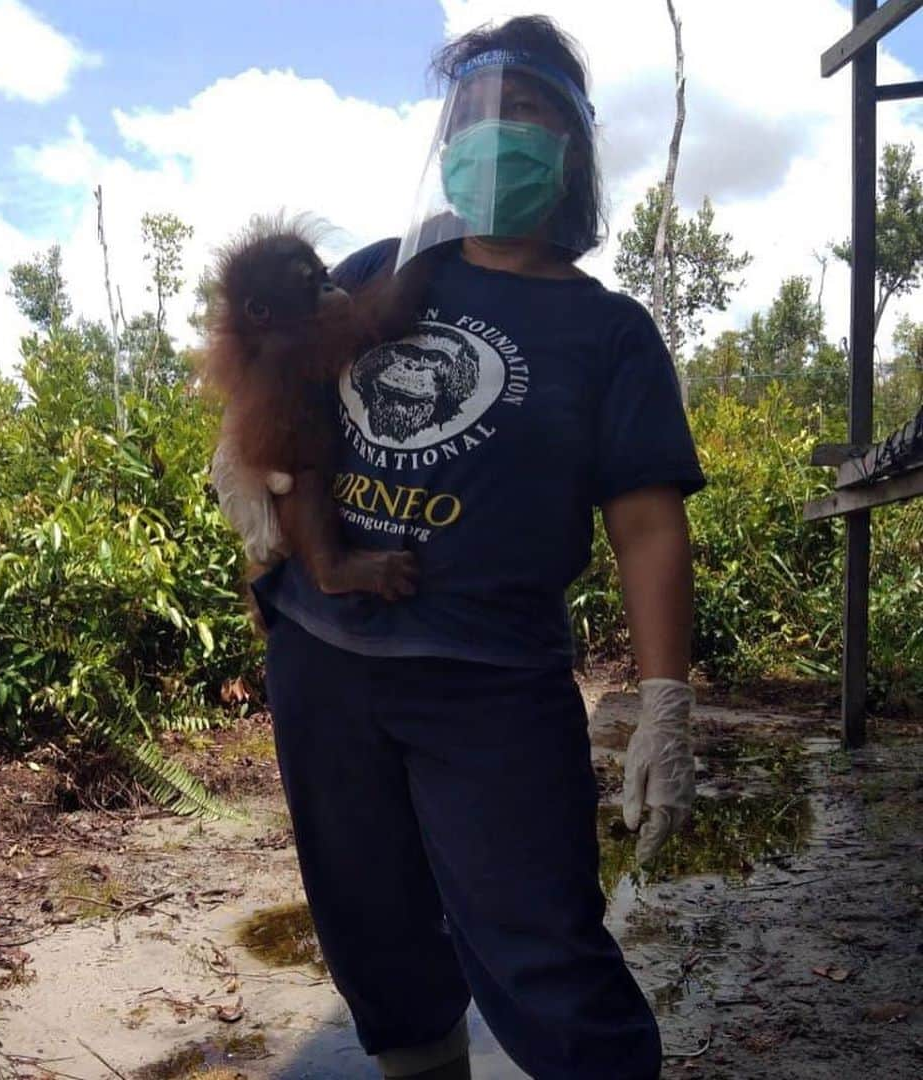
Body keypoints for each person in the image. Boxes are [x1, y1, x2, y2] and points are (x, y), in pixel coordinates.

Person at [213, 15, 704, 1079]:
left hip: (490, 677)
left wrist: (665, 701)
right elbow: (270, 379)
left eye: (525, 110)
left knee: (541, 942)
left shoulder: (608, 331)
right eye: (475, 113)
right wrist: (241, 467)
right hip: (323, 656)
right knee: (370, 922)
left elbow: (649, 522)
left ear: (568, 146)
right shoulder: (378, 267)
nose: (496, 133)